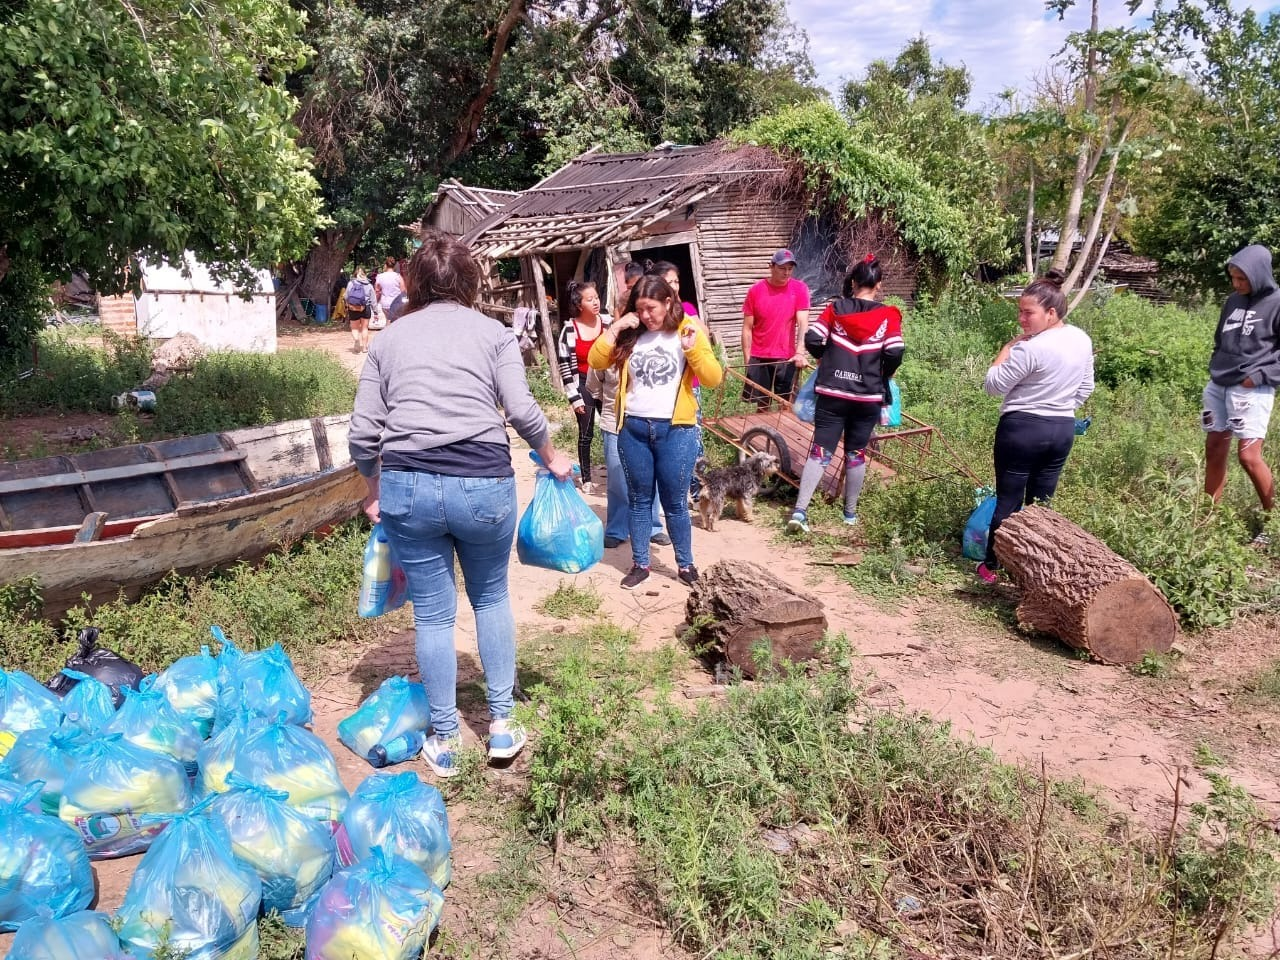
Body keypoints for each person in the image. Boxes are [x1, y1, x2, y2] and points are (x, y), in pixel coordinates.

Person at [348, 229, 574, 778]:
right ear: (470, 281)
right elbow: (521, 409)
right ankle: (502, 725)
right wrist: (551, 456)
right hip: (483, 486)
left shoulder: (388, 341)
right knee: (491, 598)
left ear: (416, 283)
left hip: (409, 490)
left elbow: (363, 433)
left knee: (432, 613)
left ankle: (446, 740)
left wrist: (373, 489)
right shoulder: (493, 334)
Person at [589, 275, 723, 590]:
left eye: (651, 308)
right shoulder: (631, 334)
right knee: (638, 499)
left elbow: (713, 377)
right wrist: (615, 328)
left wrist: (692, 351)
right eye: (640, 309)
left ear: (667, 302)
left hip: (676, 431)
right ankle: (641, 564)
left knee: (675, 503)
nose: (646, 315)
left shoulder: (687, 329)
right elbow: (595, 359)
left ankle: (685, 564)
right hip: (634, 429)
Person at [977, 270, 1094, 584]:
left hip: (1022, 430)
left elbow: (993, 385)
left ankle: (992, 567)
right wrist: (1060, 406)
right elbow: (1086, 387)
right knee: (1041, 504)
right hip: (1061, 429)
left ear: (1051, 313)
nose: (1021, 319)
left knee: (1009, 500)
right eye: (1020, 312)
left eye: (1028, 313)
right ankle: (1033, 572)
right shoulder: (1081, 340)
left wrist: (1007, 347)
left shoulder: (1030, 348)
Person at [786, 255, 904, 535]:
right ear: (879, 285)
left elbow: (813, 338)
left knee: (820, 449)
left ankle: (800, 511)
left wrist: (826, 358)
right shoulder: (889, 315)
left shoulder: (835, 309)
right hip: (867, 396)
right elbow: (895, 351)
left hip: (833, 392)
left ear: (853, 283)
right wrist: (884, 373)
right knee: (856, 453)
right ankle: (849, 515)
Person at [1202, 244, 1280, 540]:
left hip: (1251, 390)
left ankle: (1272, 526)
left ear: (1259, 274)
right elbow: (1219, 340)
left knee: (1248, 456)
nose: (1236, 284)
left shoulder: (1277, 303)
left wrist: (1257, 377)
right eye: (1233, 278)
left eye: (1242, 278)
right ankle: (1207, 520)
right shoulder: (1233, 301)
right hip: (1218, 386)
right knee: (1214, 449)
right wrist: (1216, 365)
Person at [586, 360, 664, 550]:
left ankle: (652, 526)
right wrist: (613, 403)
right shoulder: (607, 349)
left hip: (648, 422)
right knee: (617, 477)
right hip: (614, 422)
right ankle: (617, 529)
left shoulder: (649, 346)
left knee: (649, 476)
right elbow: (593, 385)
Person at [741, 249, 811, 409]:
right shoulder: (756, 290)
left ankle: (785, 426)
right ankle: (763, 426)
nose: (786, 273)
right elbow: (747, 328)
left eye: (790, 269)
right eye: (782, 268)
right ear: (771, 267)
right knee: (762, 406)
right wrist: (747, 360)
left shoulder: (799, 289)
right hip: (759, 356)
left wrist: (800, 352)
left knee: (787, 406)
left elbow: (803, 323)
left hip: (786, 358)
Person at [555, 280, 609, 486]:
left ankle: (616, 473)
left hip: (607, 384)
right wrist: (574, 397)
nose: (596, 302)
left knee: (613, 430)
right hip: (583, 384)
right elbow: (565, 366)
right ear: (579, 305)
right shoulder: (569, 330)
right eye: (590, 299)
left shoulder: (608, 323)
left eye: (596, 298)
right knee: (586, 433)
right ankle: (587, 479)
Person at [344, 267, 375, 353]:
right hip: (366, 307)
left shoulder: (351, 283)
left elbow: (346, 296)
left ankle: (356, 340)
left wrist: (348, 304)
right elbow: (373, 299)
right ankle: (364, 348)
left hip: (353, 308)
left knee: (354, 328)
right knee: (364, 328)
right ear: (365, 274)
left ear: (355, 274)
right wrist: (375, 311)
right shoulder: (369, 285)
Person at [375, 256, 405, 328]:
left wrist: (376, 302)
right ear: (394, 266)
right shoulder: (398, 276)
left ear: (385, 265)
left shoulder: (380, 276)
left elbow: (377, 291)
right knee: (396, 323)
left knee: (388, 321)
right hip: (396, 303)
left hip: (385, 304)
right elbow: (403, 291)